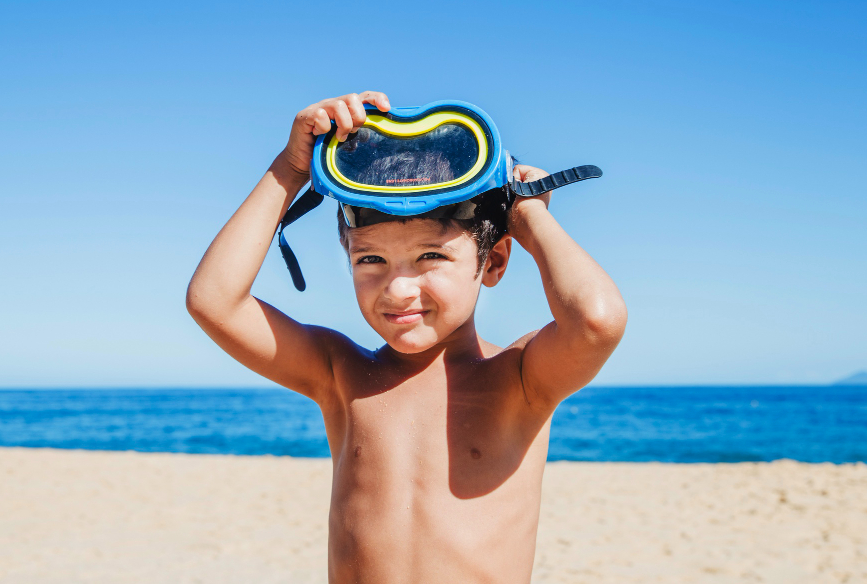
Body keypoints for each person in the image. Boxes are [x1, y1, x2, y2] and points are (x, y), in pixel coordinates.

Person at [186, 91, 627, 583]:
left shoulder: (519, 380)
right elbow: (214, 301)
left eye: (430, 257)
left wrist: (528, 215)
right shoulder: (340, 373)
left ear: (495, 261)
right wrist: (288, 170)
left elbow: (596, 321)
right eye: (370, 259)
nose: (398, 288)